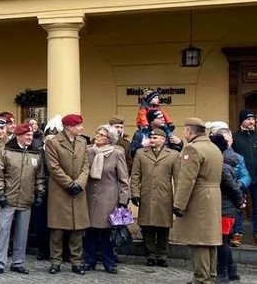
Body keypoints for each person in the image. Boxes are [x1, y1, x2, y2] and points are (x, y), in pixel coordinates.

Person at [0, 122, 45, 275]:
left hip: (27, 198)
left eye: (31, 135)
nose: (30, 137)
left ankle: (18, 262)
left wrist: (40, 193)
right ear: (19, 136)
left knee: (22, 232)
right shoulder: (5, 151)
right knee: (3, 231)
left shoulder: (36, 153)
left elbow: (39, 176)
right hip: (8, 198)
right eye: (27, 135)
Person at [172, 117, 223, 284]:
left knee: (198, 240)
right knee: (210, 240)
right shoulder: (214, 148)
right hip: (213, 196)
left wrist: (179, 204)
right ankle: (211, 276)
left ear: (189, 131)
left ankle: (201, 279)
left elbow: (187, 180)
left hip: (199, 197)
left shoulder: (192, 150)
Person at [44, 113, 90, 275]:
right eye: (79, 125)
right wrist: (68, 183)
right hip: (60, 191)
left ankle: (76, 262)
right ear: (70, 127)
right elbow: (53, 167)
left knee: (77, 228)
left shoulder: (82, 141)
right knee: (57, 229)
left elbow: (86, 165)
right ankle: (55, 261)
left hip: (78, 190)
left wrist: (79, 183)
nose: (82, 128)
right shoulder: (53, 142)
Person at [82, 125, 129, 274]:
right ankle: (89, 261)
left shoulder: (117, 153)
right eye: (97, 133)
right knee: (90, 232)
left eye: (102, 135)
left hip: (108, 198)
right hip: (90, 197)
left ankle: (109, 263)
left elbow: (123, 178)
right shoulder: (89, 151)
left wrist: (123, 199)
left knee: (106, 233)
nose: (98, 136)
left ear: (110, 139)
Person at [129, 127, 179, 267]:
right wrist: (135, 193)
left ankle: (162, 255)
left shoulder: (173, 155)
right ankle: (150, 254)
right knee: (147, 226)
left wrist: (178, 199)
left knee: (164, 227)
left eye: (155, 138)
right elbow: (135, 175)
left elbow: (178, 178)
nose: (152, 139)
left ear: (163, 140)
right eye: (151, 137)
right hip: (146, 194)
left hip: (165, 196)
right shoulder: (140, 153)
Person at [210, 128, 245, 283]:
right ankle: (232, 272)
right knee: (223, 242)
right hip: (225, 209)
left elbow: (233, 189)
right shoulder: (225, 164)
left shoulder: (222, 167)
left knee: (222, 243)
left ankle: (222, 274)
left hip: (225, 210)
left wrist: (240, 203)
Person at [231, 109, 257, 247]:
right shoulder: (234, 137)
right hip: (240, 178)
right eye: (248, 119)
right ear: (242, 121)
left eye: (253, 119)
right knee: (238, 206)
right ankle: (237, 234)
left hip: (256, 178)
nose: (252, 121)